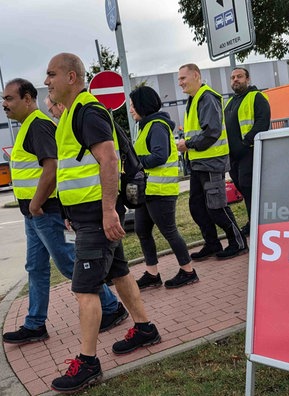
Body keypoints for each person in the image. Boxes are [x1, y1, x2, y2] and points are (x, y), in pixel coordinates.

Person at [45, 53, 161, 393]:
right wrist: (71, 211)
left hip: (98, 216)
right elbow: (76, 169)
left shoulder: (87, 110)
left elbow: (108, 160)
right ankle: (144, 328)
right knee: (119, 273)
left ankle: (88, 362)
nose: (47, 81)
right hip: (88, 216)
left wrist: (109, 211)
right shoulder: (71, 115)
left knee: (84, 290)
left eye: (51, 75)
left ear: (70, 76)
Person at [1, 78, 127, 344]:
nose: (5, 105)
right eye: (4, 99)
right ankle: (35, 323)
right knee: (36, 267)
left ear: (27, 99)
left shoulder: (38, 126)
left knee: (70, 262)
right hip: (34, 215)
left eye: (10, 99)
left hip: (46, 212)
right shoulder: (27, 127)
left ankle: (111, 308)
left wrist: (36, 204)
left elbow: (52, 168)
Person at [176, 63, 247, 259]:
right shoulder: (194, 98)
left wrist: (188, 144)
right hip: (199, 163)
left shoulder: (206, 97)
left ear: (196, 76)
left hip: (210, 162)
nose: (179, 82)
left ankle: (238, 242)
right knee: (197, 207)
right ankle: (213, 244)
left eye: (183, 78)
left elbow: (212, 132)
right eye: (179, 79)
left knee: (216, 207)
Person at [128, 86, 195, 289]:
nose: (131, 110)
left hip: (160, 192)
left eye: (132, 105)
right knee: (141, 230)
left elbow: (160, 156)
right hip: (146, 191)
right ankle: (152, 273)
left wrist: (134, 162)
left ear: (142, 105)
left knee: (169, 231)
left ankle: (188, 271)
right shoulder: (145, 126)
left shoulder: (157, 125)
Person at [224, 67, 271, 237]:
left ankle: (257, 224)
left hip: (249, 152)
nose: (235, 80)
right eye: (232, 77)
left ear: (248, 79)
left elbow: (262, 121)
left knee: (249, 187)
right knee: (243, 189)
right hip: (234, 157)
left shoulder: (256, 97)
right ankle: (254, 221)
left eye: (239, 76)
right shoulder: (230, 102)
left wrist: (246, 142)